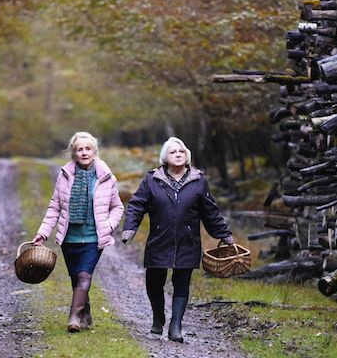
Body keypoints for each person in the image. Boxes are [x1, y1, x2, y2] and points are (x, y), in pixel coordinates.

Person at [121, 136, 234, 343]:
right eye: (173, 152)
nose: (178, 154)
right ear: (166, 157)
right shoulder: (152, 179)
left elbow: (210, 211)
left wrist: (224, 234)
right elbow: (137, 205)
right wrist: (129, 228)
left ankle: (176, 326)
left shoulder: (198, 180)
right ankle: (158, 317)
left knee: (182, 282)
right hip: (159, 239)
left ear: (187, 155)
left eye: (181, 151)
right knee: (154, 281)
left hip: (187, 240)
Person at [31, 132, 124, 332]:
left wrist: (108, 226)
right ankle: (85, 313)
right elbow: (55, 207)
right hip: (69, 237)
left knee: (84, 276)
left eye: (88, 149)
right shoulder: (65, 176)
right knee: (76, 278)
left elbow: (118, 207)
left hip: (93, 237)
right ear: (73, 153)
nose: (84, 152)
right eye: (79, 149)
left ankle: (73, 317)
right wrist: (43, 233)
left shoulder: (106, 177)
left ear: (94, 151)